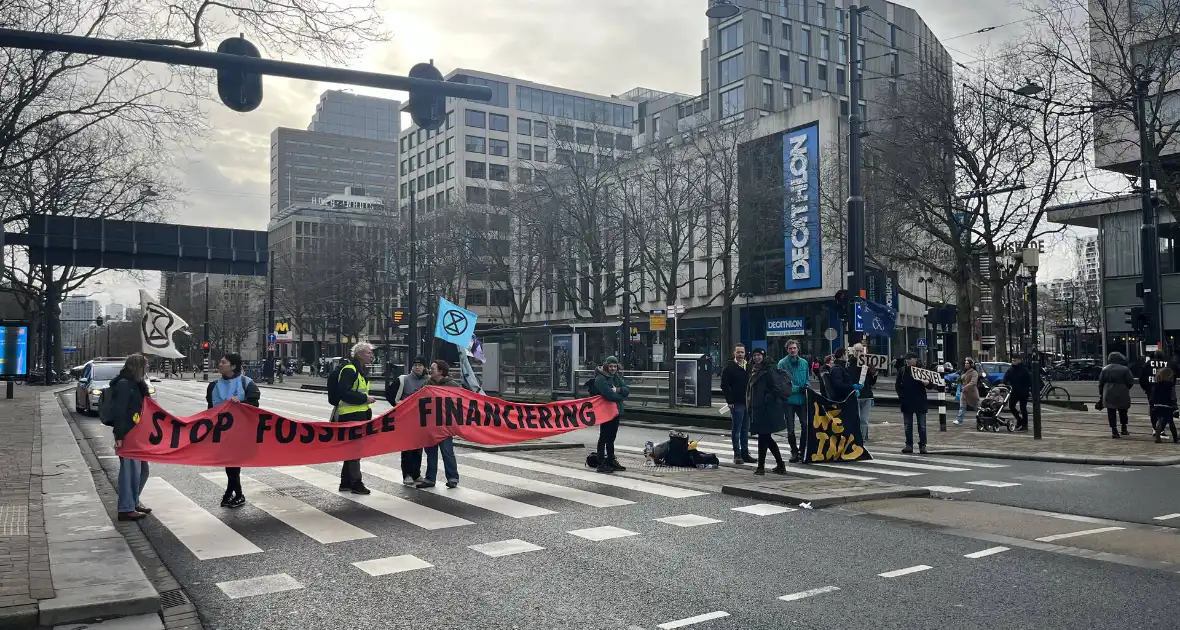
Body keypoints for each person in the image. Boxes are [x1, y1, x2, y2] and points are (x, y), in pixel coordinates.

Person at [205, 353, 260, 508]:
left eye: (223, 362)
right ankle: (231, 493)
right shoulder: (213, 386)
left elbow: (254, 407)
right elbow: (210, 409)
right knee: (230, 463)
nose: (220, 364)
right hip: (222, 432)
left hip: (240, 431)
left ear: (233, 366)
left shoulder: (247, 383)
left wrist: (241, 402)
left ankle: (237, 493)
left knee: (233, 463)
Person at [110, 354, 152, 521]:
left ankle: (133, 501)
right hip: (127, 433)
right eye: (145, 366)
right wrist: (119, 435)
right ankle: (126, 508)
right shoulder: (124, 384)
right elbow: (120, 412)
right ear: (138, 367)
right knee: (130, 472)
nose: (147, 369)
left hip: (137, 433)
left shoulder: (136, 384)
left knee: (142, 470)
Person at [332, 342, 377, 495]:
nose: (371, 355)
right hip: (350, 415)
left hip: (358, 415)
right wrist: (365, 398)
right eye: (368, 353)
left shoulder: (359, 370)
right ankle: (356, 483)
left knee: (351, 449)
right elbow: (344, 392)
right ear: (358, 355)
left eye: (371, 353)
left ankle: (345, 482)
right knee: (355, 450)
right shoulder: (350, 370)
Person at [418, 360, 463, 488]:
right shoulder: (426, 384)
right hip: (431, 425)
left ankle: (453, 478)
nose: (430, 370)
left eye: (433, 368)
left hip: (445, 426)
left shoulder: (453, 386)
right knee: (431, 453)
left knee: (447, 452)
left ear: (441, 371)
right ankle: (430, 478)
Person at [390, 356, 430, 486]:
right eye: (415, 365)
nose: (417, 367)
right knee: (407, 447)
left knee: (418, 447)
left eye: (420, 365)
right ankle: (406, 474)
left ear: (424, 367)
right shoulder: (403, 380)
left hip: (421, 419)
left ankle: (416, 473)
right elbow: (389, 393)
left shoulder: (428, 381)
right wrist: (399, 406)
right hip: (406, 419)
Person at [747, 347, 787, 475]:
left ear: (763, 356)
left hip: (767, 409)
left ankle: (761, 467)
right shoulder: (754, 370)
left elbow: (777, 389)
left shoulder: (768, 370)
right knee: (766, 438)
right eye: (754, 355)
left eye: (759, 355)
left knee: (763, 438)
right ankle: (780, 464)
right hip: (758, 408)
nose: (756, 357)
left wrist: (765, 399)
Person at [593, 356, 630, 473]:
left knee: (611, 437)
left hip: (615, 411)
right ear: (606, 366)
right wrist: (620, 396)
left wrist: (618, 390)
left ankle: (611, 460)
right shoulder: (600, 379)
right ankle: (601, 462)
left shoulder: (615, 377)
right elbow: (609, 395)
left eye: (615, 366)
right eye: (611, 366)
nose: (613, 368)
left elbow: (626, 389)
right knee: (604, 436)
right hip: (605, 412)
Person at [720, 344, 754, 465]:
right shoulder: (729, 367)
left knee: (746, 429)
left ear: (745, 353)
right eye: (738, 352)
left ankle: (745, 453)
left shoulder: (749, 366)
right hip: (737, 403)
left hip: (748, 402)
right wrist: (730, 401)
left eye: (742, 352)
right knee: (737, 429)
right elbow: (724, 385)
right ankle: (737, 454)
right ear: (734, 353)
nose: (740, 354)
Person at [776, 339, 809, 463]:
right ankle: (794, 451)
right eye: (790, 348)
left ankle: (802, 450)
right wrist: (797, 389)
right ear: (787, 350)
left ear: (798, 349)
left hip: (802, 400)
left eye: (794, 348)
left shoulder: (804, 363)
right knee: (790, 429)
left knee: (805, 425)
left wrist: (806, 386)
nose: (792, 350)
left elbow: (807, 378)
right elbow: (782, 384)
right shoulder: (782, 364)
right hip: (789, 400)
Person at [896, 353, 932, 454]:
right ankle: (909, 445)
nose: (907, 361)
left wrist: (926, 383)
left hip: (920, 401)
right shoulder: (902, 370)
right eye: (906, 359)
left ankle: (923, 445)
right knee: (908, 425)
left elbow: (931, 385)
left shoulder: (922, 371)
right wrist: (902, 397)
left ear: (915, 360)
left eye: (910, 359)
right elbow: (898, 386)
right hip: (907, 402)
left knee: (922, 425)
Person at [1098, 351, 1135, 438]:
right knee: (1123, 410)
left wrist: (1101, 393)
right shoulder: (1125, 369)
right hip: (1122, 392)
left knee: (1111, 411)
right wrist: (1125, 388)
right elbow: (1130, 381)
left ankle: (1114, 430)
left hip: (1108, 391)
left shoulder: (1105, 369)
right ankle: (1124, 428)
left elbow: (1101, 382)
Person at [849, 344, 878, 440]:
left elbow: (871, 382)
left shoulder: (867, 364)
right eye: (856, 351)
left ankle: (863, 438)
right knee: (855, 419)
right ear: (853, 352)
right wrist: (853, 387)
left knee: (864, 420)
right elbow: (849, 380)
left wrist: (874, 374)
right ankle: (856, 437)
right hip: (855, 395)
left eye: (860, 351)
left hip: (867, 396)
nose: (859, 353)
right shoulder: (850, 364)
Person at [1002, 356, 1032, 431]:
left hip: (1023, 391)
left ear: (1019, 361)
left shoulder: (1024, 369)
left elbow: (1029, 380)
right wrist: (1006, 383)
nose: (1013, 362)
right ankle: (1019, 419)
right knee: (1011, 406)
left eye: (1015, 360)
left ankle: (1025, 424)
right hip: (1014, 391)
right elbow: (1006, 378)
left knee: (1023, 408)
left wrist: (1028, 389)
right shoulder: (1010, 370)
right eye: (1012, 360)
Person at [1150, 367, 1179, 443]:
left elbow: (1153, 395)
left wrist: (1152, 404)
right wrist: (1175, 407)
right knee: (1171, 422)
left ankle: (1157, 436)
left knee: (1159, 420)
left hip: (1157, 404)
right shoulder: (1170, 385)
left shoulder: (1156, 384)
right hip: (1167, 405)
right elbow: (1173, 397)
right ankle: (1175, 438)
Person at [956, 358, 981, 426]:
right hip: (964, 393)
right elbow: (962, 379)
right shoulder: (964, 372)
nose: (966, 365)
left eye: (967, 363)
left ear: (971, 364)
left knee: (977, 407)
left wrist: (965, 387)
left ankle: (981, 418)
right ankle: (959, 420)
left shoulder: (974, 372)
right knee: (962, 406)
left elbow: (973, 382)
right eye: (965, 363)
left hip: (971, 392)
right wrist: (958, 380)